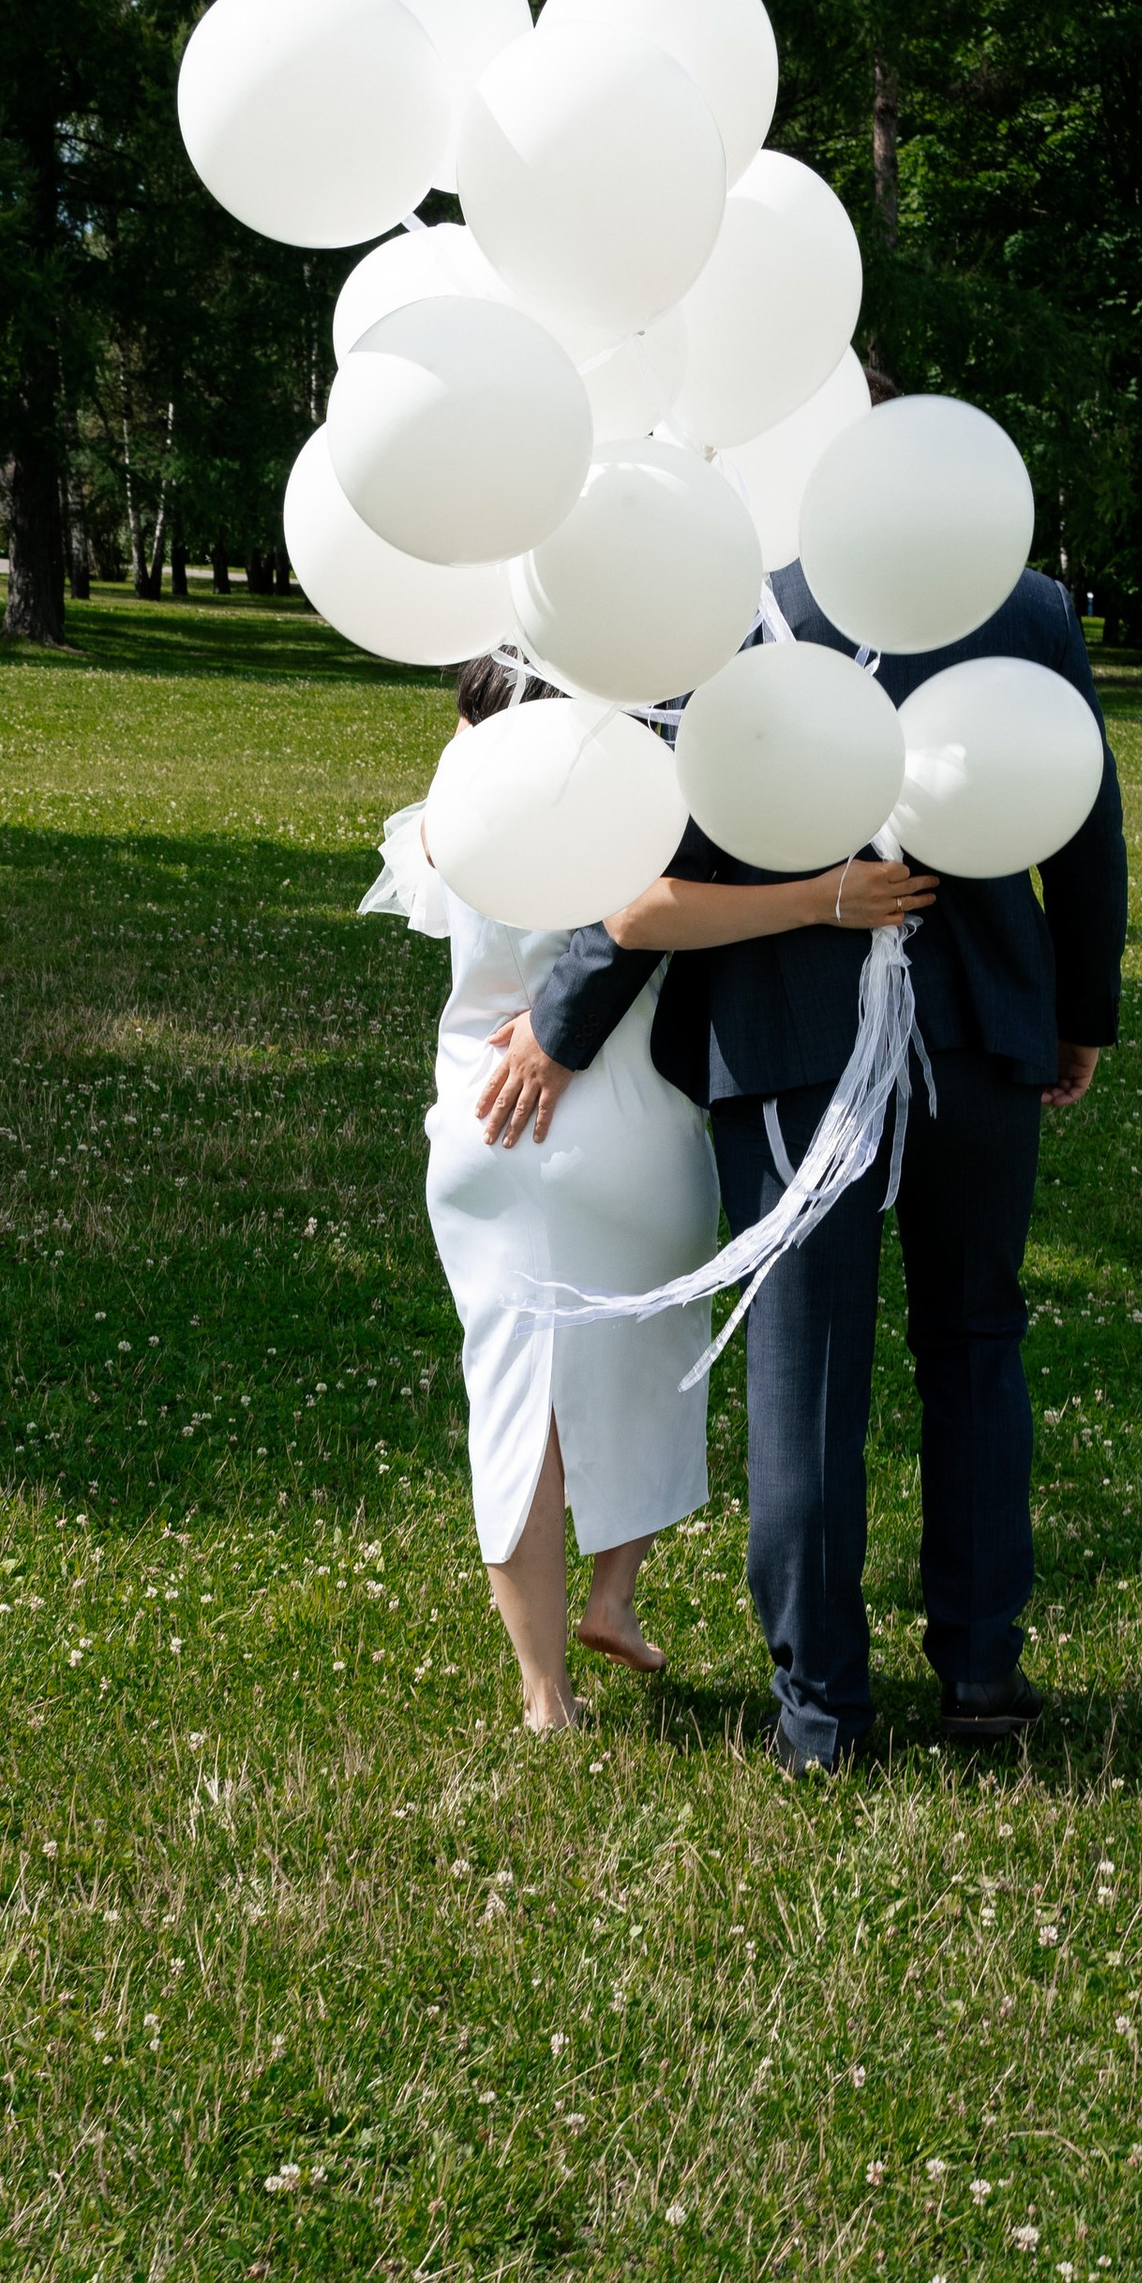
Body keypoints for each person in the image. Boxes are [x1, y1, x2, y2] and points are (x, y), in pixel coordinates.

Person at [486, 552, 1127, 1773]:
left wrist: (565, 1021)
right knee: (976, 1341)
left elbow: (669, 830)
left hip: (789, 1034)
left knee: (806, 1362)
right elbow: (1084, 816)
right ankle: (979, 1670)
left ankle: (823, 1713)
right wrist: (1076, 1008)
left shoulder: (734, 600)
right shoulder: (1027, 602)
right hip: (982, 1022)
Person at [362, 658, 726, 1732]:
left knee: (514, 1396)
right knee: (651, 1357)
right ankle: (613, 1592)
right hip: (624, 1120)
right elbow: (645, 919)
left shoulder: (456, 804)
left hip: (479, 1115)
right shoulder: (619, 795)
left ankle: (543, 1692)